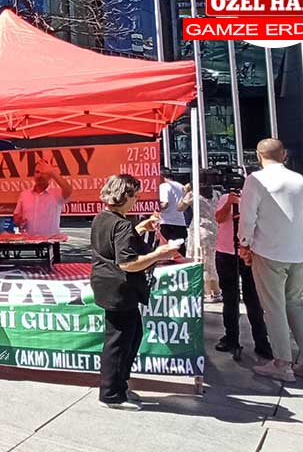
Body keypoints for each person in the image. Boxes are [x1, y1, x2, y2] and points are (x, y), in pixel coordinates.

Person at [239, 138, 303, 382]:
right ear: (284, 155)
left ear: (258, 156)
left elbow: (247, 219)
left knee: (273, 308)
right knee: (294, 304)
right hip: (298, 251)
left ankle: (282, 363)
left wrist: (244, 244)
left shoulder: (256, 180)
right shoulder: (298, 180)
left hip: (268, 251)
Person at [89, 174, 181, 410]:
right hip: (118, 288)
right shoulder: (121, 224)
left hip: (106, 284)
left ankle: (119, 385)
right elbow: (127, 263)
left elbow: (115, 243)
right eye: (135, 196)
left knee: (131, 336)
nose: (136, 200)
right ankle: (111, 394)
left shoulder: (103, 218)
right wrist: (160, 254)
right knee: (119, 342)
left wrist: (139, 228)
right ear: (124, 196)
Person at [214, 188, 273, 359]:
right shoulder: (225, 197)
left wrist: (242, 205)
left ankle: (261, 341)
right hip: (226, 253)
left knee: (253, 299)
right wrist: (230, 203)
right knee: (230, 298)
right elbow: (219, 218)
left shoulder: (257, 199)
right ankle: (231, 337)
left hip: (249, 253)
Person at [178, 183, 221, 302]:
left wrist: (185, 192)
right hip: (214, 229)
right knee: (211, 261)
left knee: (201, 260)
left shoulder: (193, 195)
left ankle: (206, 292)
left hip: (199, 229)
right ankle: (216, 290)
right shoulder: (217, 194)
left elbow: (180, 208)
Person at [13, 164, 74, 237]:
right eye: (37, 172)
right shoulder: (24, 195)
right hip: (28, 241)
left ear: (50, 177)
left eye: (44, 173)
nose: (40, 175)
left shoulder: (57, 193)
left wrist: (53, 172)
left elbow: (68, 190)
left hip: (50, 241)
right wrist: (18, 221)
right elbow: (17, 216)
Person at [157, 172, 188, 243]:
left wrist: (152, 207)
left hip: (167, 223)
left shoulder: (164, 186)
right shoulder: (181, 186)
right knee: (180, 251)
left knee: (166, 251)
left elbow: (164, 204)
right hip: (181, 223)